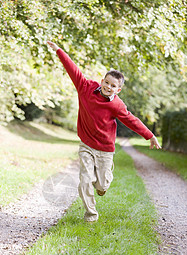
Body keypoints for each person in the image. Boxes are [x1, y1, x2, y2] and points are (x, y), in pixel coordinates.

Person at [47, 41, 161, 222]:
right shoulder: (86, 88)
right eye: (106, 82)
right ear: (102, 81)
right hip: (86, 145)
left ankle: (102, 184)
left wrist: (150, 135)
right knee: (85, 180)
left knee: (102, 184)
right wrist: (59, 50)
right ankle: (91, 215)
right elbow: (73, 69)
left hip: (105, 150)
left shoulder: (117, 105)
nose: (108, 87)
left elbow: (132, 121)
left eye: (113, 85)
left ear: (118, 89)